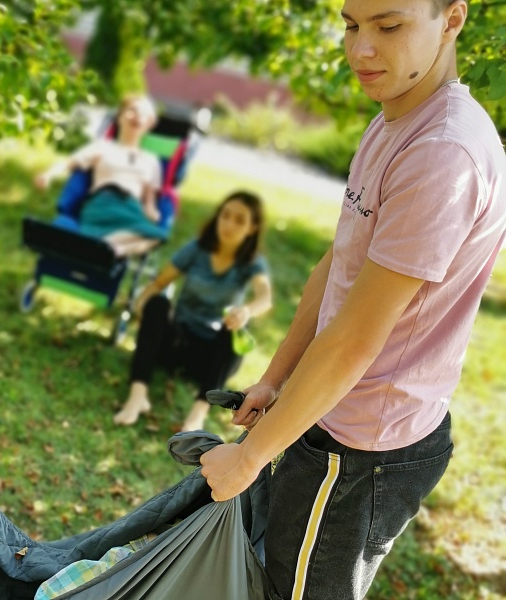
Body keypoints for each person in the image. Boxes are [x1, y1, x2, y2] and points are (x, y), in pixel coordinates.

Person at [199, 1, 506, 599]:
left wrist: (249, 459)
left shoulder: (443, 153)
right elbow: (338, 264)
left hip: (363, 447)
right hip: (329, 411)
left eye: (388, 27)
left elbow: (357, 337)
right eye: (351, 24)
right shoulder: (395, 115)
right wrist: (276, 378)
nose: (360, 49)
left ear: (452, 19)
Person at [113, 191, 273, 431]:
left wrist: (246, 311)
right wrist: (141, 304)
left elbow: (265, 297)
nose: (229, 224)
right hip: (175, 343)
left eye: (239, 220)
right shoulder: (197, 249)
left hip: (209, 359)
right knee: (158, 303)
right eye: (225, 215)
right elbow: (158, 284)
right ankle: (138, 395)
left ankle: (197, 415)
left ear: (252, 228)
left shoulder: (251, 262)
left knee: (236, 329)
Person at [34, 95, 167, 257]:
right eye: (132, 110)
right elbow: (69, 162)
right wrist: (49, 175)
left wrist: (152, 212)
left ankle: (112, 250)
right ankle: (105, 246)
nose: (138, 116)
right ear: (120, 116)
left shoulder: (152, 161)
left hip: (131, 209)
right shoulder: (102, 147)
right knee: (141, 235)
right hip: (103, 202)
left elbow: (149, 201)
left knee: (158, 237)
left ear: (149, 124)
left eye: (144, 114)